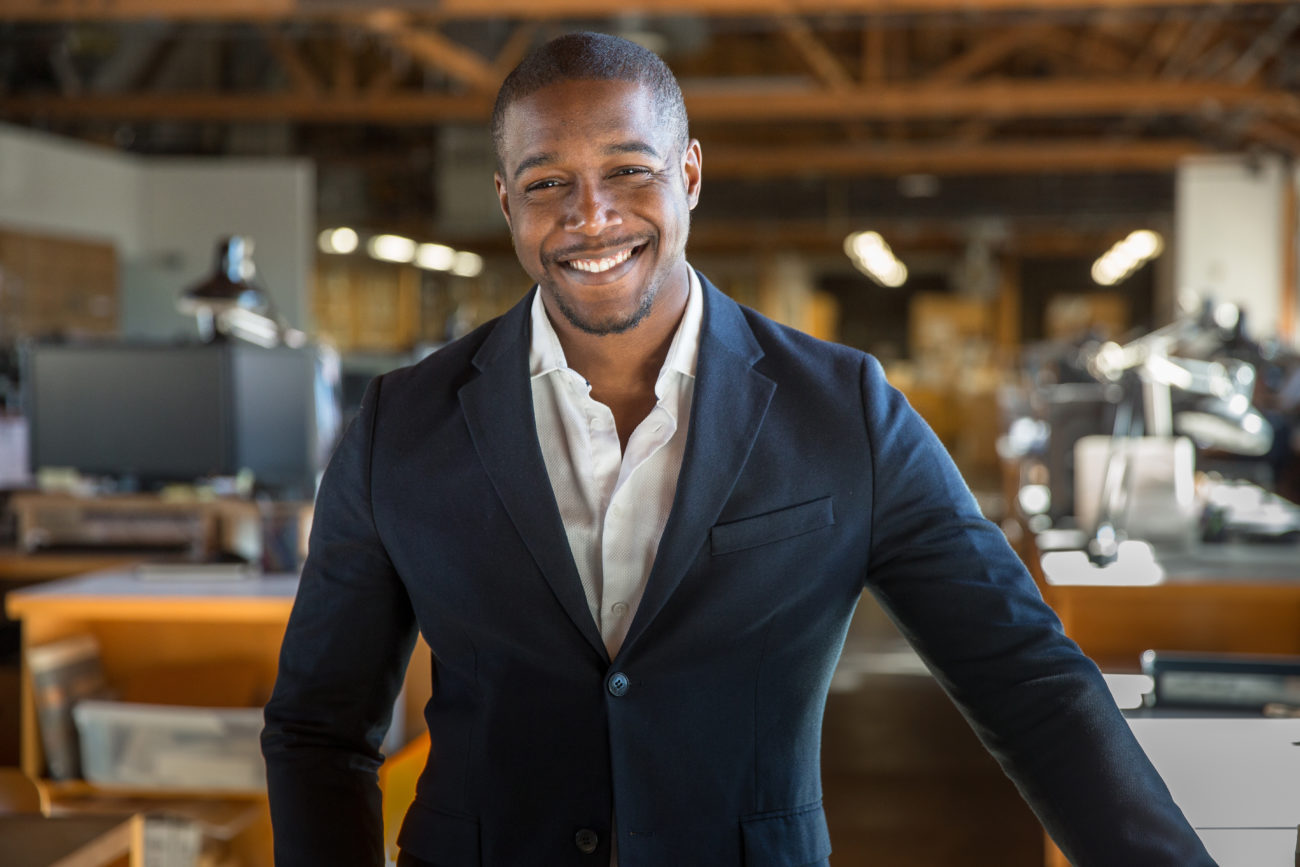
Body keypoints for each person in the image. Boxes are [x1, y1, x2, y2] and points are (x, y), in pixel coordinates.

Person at [262, 32, 1213, 867]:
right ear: (508, 202)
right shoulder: (401, 425)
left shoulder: (844, 411)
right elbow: (318, 728)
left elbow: (1028, 681)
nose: (590, 214)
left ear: (690, 176)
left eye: (630, 169)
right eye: (549, 181)